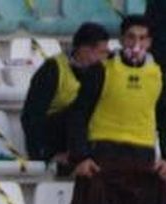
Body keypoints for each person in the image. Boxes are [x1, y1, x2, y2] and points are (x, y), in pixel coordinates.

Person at [62, 16, 166, 204]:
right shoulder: (101, 71)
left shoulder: (158, 75)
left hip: (141, 161)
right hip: (104, 159)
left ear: (150, 42)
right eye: (131, 37)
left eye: (142, 38)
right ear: (122, 39)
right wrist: (81, 156)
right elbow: (78, 115)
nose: (136, 44)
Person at [20, 22, 110, 170]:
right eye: (102, 52)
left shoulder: (101, 71)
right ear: (85, 50)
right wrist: (44, 154)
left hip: (84, 134)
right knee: (76, 111)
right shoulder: (52, 70)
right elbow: (31, 117)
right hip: (55, 134)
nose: (105, 58)